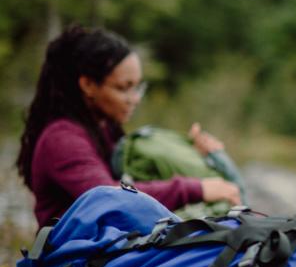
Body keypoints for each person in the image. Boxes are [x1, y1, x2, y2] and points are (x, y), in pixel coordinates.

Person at [16, 26, 242, 227]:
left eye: (137, 87)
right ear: (88, 85)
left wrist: (192, 157)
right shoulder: (62, 138)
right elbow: (111, 198)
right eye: (124, 88)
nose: (134, 99)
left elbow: (136, 181)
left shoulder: (104, 129)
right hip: (69, 266)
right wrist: (196, 189)